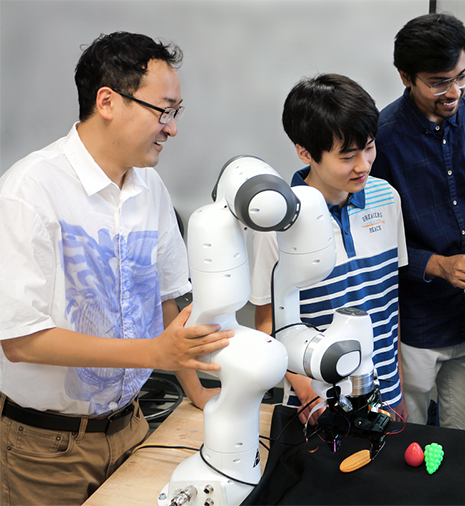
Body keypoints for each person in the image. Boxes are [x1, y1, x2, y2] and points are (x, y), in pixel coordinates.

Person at [0, 32, 231, 505]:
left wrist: (195, 390)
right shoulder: (29, 190)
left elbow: (167, 298)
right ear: (108, 101)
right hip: (47, 448)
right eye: (162, 110)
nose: (171, 128)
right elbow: (20, 340)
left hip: (132, 426)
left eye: (176, 112)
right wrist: (155, 355)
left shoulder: (150, 187)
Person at [370, 12, 465, 431]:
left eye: (462, 76)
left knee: (464, 440)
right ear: (405, 76)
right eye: (438, 83)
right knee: (401, 437)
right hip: (417, 323)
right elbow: (374, 242)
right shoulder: (382, 136)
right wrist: (437, 265)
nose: (454, 93)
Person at [251, 74, 409, 426]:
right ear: (305, 152)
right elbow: (267, 325)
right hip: (318, 403)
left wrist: (398, 388)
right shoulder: (277, 222)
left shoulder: (386, 198)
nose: (363, 165)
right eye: (347, 155)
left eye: (369, 147)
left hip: (384, 393)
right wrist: (308, 397)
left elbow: (386, 303)